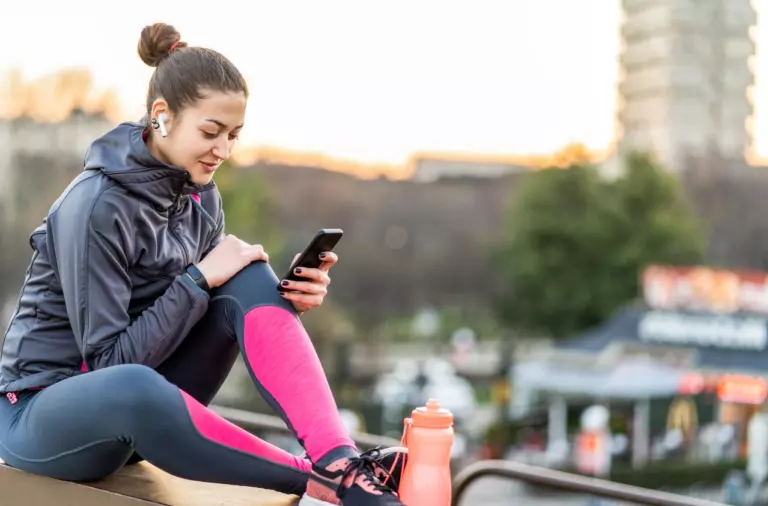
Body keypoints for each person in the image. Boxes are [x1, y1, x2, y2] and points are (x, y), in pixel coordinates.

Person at [0, 23, 407, 506]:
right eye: (211, 132)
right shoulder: (95, 207)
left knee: (251, 276)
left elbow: (212, 301)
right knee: (139, 376)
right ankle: (323, 483)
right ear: (162, 116)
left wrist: (287, 294)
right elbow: (107, 366)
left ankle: (341, 460)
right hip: (40, 417)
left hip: (140, 413)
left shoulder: (200, 198)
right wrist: (199, 277)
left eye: (234, 135)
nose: (224, 150)